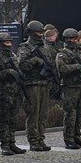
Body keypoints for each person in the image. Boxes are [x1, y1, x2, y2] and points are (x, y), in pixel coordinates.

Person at [17, 20, 54, 152]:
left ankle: (41, 139)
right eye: (37, 32)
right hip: (32, 84)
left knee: (43, 115)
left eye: (41, 32)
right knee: (33, 114)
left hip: (44, 84)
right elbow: (22, 65)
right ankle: (33, 140)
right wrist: (35, 60)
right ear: (31, 33)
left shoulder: (45, 48)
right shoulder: (25, 48)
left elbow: (50, 64)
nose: (40, 34)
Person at [56, 28, 81, 150]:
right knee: (70, 114)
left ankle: (77, 136)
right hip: (70, 87)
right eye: (70, 38)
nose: (73, 41)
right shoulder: (62, 54)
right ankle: (69, 139)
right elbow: (62, 70)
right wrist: (76, 67)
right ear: (66, 39)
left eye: (74, 38)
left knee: (80, 114)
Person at [0, 32, 26, 156]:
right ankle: (5, 145)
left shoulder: (13, 56)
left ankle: (12, 143)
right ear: (0, 44)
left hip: (15, 92)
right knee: (4, 120)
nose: (9, 44)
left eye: (10, 42)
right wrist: (7, 72)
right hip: (3, 93)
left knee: (13, 120)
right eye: (6, 42)